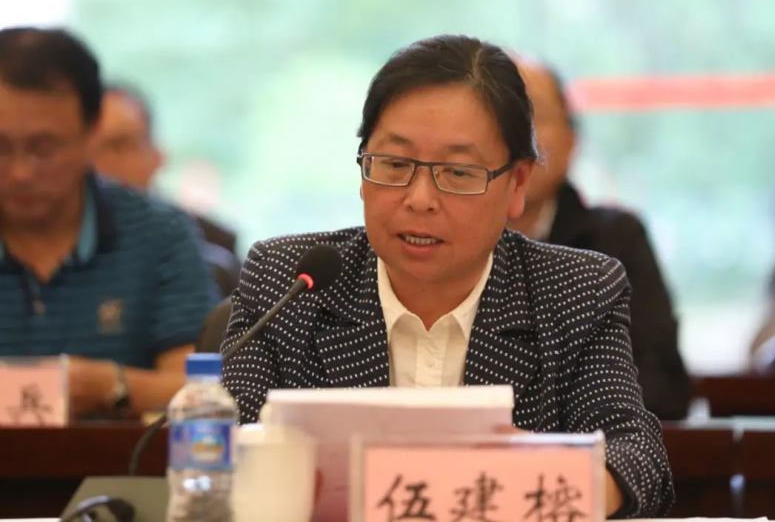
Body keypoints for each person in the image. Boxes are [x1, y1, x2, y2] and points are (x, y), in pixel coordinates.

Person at [221, 34, 674, 517]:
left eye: (457, 173)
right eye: (394, 165)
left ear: (517, 184)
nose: (419, 199)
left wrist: (544, 474)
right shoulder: (287, 280)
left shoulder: (575, 291)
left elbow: (637, 456)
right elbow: (219, 447)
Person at [0, 27, 220, 418]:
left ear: (92, 130)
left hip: (123, 457)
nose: (20, 172)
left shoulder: (159, 235)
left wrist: (111, 386)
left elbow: (202, 387)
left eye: (43, 148)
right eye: (0, 148)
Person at [507, 58, 691, 420]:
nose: (517, 137)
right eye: (501, 118)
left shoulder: (616, 241)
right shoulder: (437, 242)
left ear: (571, 141)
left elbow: (662, 386)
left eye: (533, 115)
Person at [92, 83, 241, 295]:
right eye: (88, 150)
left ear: (157, 157)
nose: (98, 165)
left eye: (118, 146)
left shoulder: (216, 260)